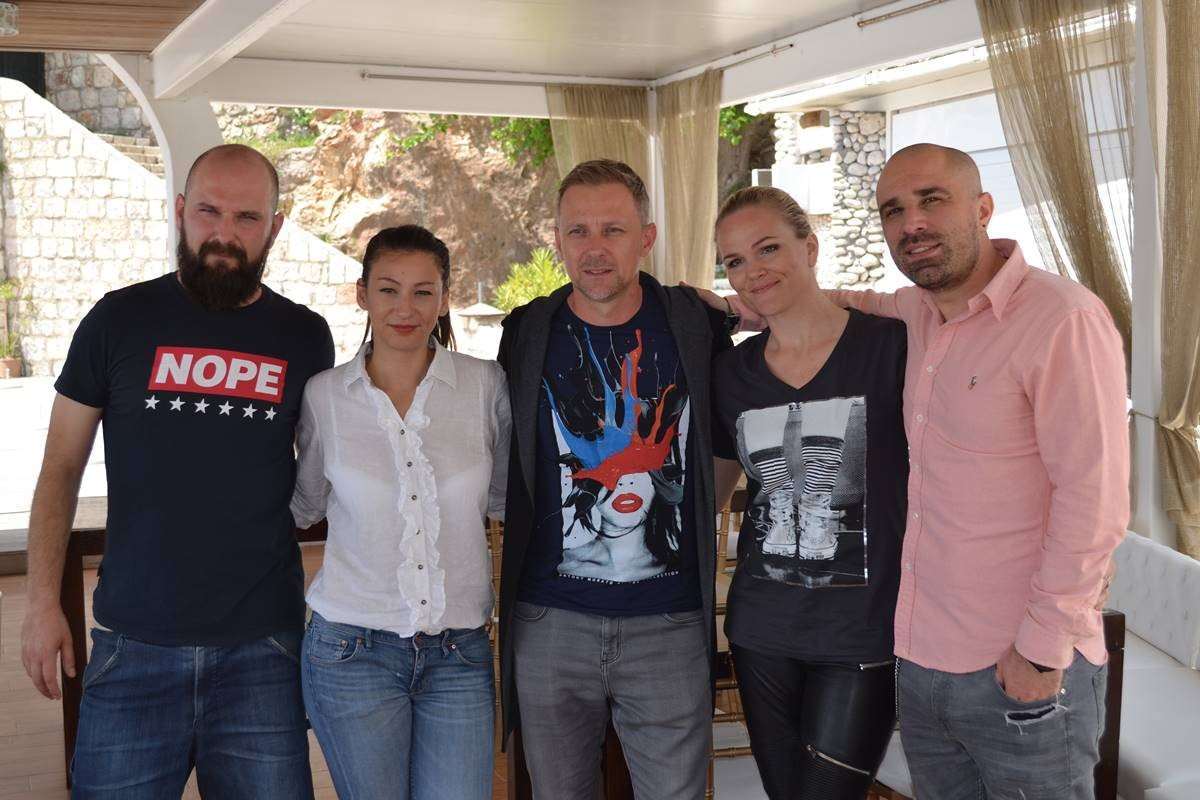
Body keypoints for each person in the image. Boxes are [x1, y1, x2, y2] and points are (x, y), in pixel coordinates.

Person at [716, 144, 1128, 799]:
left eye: (932, 200)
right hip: (919, 656)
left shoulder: (1061, 318)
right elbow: (838, 303)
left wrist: (1043, 645)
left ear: (983, 208)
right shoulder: (919, 315)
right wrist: (743, 304)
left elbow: (1094, 498)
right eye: (894, 210)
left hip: (1016, 657)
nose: (912, 223)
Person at [20, 143, 332, 798]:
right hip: (134, 647)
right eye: (209, 211)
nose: (224, 233)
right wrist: (41, 604)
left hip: (264, 654)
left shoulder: (305, 336)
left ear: (275, 227)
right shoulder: (118, 319)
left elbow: (328, 474)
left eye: (247, 217)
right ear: (181, 210)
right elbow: (60, 469)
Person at [496, 158, 735, 799]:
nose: (594, 248)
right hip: (550, 622)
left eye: (613, 230)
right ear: (558, 239)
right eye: (578, 231)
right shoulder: (525, 333)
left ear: (646, 238)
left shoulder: (699, 325)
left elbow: (731, 433)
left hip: (670, 623)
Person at [291, 225, 510, 800]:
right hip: (350, 652)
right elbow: (305, 504)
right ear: (362, 294)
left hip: (459, 653)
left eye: (423, 291)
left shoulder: (485, 386)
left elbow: (507, 498)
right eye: (388, 290)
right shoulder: (324, 395)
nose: (405, 309)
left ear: (445, 298)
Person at [709, 187, 907, 798]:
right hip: (761, 628)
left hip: (865, 629)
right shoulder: (733, 373)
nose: (753, 271)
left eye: (768, 248)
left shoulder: (892, 346)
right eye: (735, 261)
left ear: (810, 247)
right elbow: (712, 493)